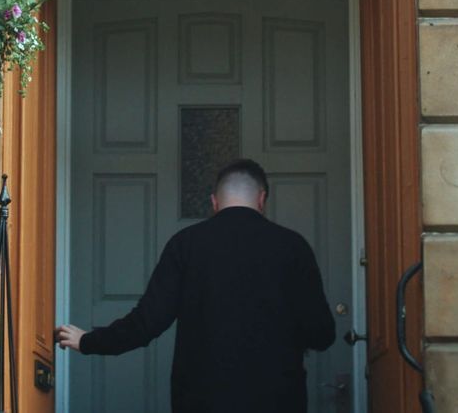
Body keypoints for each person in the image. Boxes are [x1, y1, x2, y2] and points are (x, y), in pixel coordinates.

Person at [55, 158, 335, 413]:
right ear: (262, 200)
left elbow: (146, 323)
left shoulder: (185, 245)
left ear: (214, 201)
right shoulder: (293, 247)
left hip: (201, 400)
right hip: (278, 399)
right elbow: (322, 332)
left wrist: (87, 341)